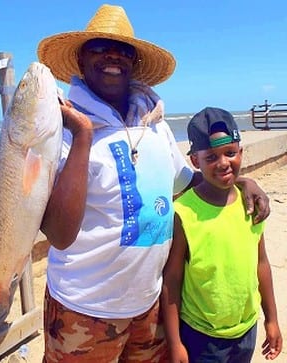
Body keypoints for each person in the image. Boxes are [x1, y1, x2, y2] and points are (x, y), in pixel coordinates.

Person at [37, 5, 270, 362]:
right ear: (82, 59)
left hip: (149, 306)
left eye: (123, 51)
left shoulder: (156, 126)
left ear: (133, 63)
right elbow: (58, 233)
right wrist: (82, 134)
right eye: (99, 47)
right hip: (83, 309)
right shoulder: (61, 129)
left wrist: (241, 181)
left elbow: (188, 181)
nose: (113, 56)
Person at [161, 107, 282, 363]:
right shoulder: (183, 213)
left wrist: (271, 319)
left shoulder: (250, 203)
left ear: (241, 152)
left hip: (246, 329)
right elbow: (171, 282)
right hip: (201, 335)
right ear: (195, 161)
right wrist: (175, 343)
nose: (224, 163)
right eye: (211, 157)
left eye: (230, 153)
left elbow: (261, 264)